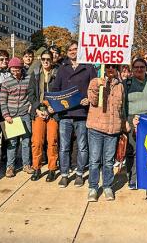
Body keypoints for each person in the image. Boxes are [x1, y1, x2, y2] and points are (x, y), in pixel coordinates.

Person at [52, 41, 97, 188]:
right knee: (64, 146)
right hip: (65, 114)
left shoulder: (88, 67)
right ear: (67, 52)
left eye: (75, 49)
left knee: (82, 146)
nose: (73, 51)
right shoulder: (62, 69)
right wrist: (56, 106)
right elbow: (55, 89)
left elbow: (95, 88)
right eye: (70, 49)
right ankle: (64, 174)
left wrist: (89, 99)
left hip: (82, 113)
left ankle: (79, 173)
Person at [86, 64, 125, 201]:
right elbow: (93, 101)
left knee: (108, 161)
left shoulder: (120, 85)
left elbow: (122, 107)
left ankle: (107, 186)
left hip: (113, 129)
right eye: (107, 66)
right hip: (96, 128)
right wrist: (97, 85)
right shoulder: (95, 81)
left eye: (113, 67)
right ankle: (93, 187)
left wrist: (123, 124)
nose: (110, 69)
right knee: (94, 160)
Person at [124, 58, 147, 189]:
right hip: (131, 118)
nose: (139, 69)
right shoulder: (127, 83)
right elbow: (121, 104)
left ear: (146, 68)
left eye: (142, 67)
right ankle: (132, 178)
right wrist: (125, 121)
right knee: (132, 150)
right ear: (132, 69)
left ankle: (146, 176)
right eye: (136, 67)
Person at [28, 50, 58, 181]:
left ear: (52, 60)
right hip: (39, 110)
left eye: (48, 59)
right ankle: (36, 168)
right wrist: (36, 109)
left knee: (52, 141)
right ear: (40, 60)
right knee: (37, 142)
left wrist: (53, 108)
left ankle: (52, 169)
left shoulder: (57, 74)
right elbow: (31, 94)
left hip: (53, 111)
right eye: (43, 59)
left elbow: (60, 93)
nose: (46, 61)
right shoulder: (35, 73)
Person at [0, 57, 33, 177]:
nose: (15, 71)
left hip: (25, 114)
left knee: (26, 141)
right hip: (12, 117)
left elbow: (31, 94)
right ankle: (10, 167)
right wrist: (6, 115)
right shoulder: (6, 82)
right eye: (13, 69)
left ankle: (26, 165)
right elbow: (2, 101)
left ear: (21, 68)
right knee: (12, 143)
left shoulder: (28, 79)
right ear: (10, 69)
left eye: (17, 69)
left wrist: (30, 106)